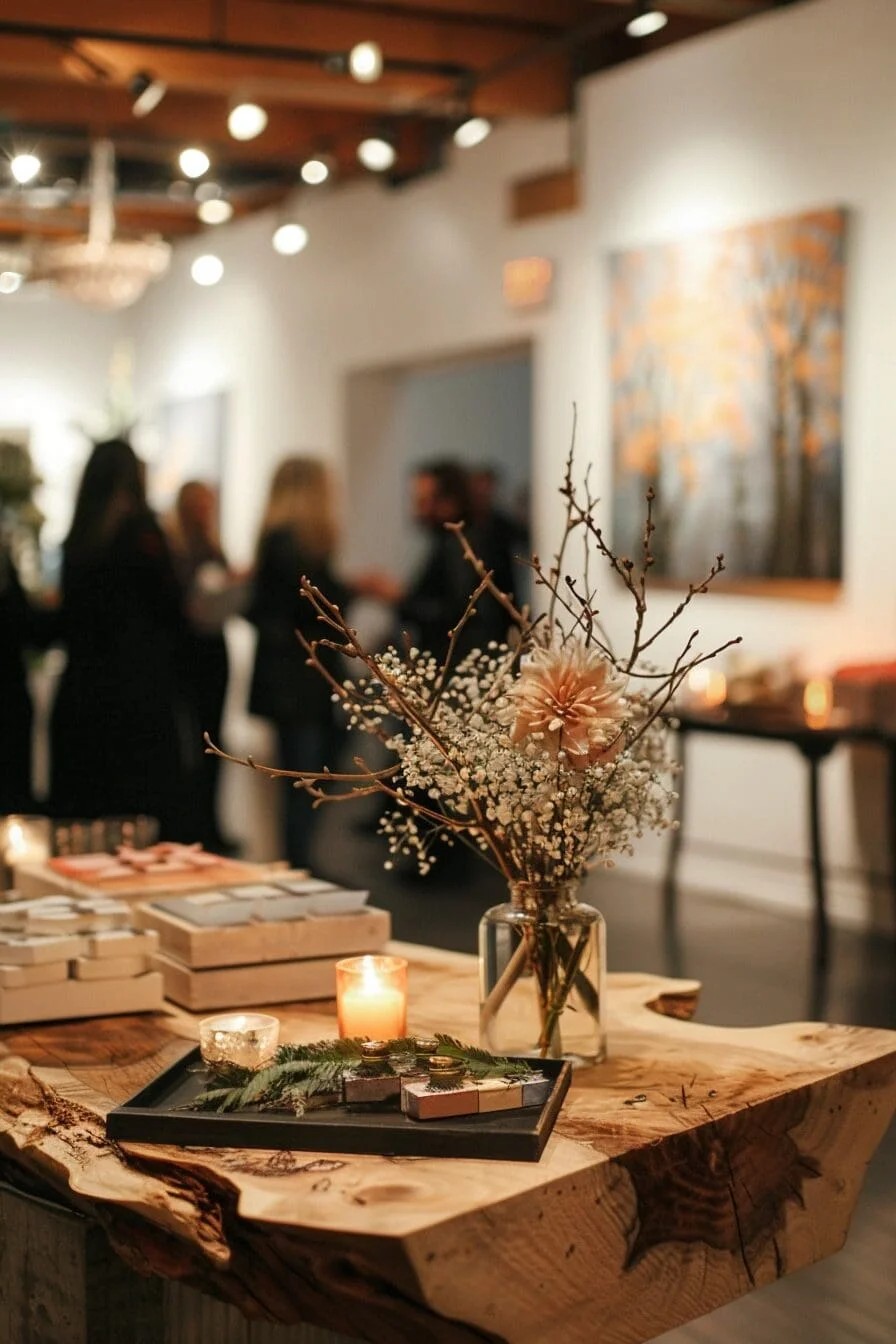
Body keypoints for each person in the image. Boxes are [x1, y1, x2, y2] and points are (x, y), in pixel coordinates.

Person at [50, 438, 190, 838]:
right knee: (140, 817)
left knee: (88, 817)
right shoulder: (142, 534)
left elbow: (67, 620)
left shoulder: (81, 540)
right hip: (138, 694)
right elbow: (170, 610)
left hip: (84, 693)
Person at [246, 457, 351, 870]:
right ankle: (299, 865)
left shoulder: (283, 541)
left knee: (307, 772)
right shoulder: (289, 543)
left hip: (294, 678)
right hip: (296, 680)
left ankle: (300, 862)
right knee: (305, 775)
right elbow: (298, 609)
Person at [168, 481, 247, 853]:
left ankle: (210, 823)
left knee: (213, 739)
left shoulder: (212, 545)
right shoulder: (176, 548)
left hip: (212, 650)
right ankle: (189, 822)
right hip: (186, 651)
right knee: (188, 740)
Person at [396, 460, 516, 664]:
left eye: (423, 500)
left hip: (461, 666)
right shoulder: (453, 543)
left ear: (447, 502)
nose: (417, 509)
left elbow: (458, 612)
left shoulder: (462, 546)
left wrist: (400, 599)